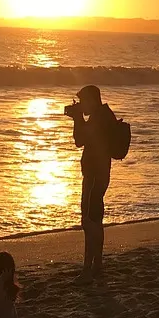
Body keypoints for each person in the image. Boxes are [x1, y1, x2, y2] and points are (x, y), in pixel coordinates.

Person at [70, 84, 119, 282]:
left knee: (89, 222)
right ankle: (96, 266)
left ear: (92, 99)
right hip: (99, 174)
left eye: (83, 101)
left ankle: (89, 269)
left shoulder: (99, 118)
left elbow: (79, 140)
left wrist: (77, 119)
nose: (81, 105)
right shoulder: (104, 115)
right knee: (95, 221)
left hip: (94, 175)